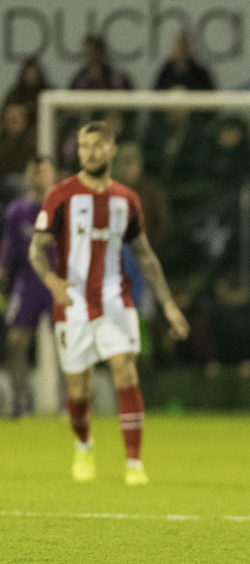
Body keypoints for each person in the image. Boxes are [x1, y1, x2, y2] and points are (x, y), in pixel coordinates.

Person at [29, 121, 190, 485]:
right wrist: (52, 280)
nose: (90, 152)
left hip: (116, 301)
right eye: (84, 146)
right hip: (72, 306)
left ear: (112, 150)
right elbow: (36, 249)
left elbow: (145, 255)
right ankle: (84, 445)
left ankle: (134, 462)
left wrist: (168, 305)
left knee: (125, 371)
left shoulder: (127, 199)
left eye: (98, 145)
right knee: (78, 389)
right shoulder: (62, 195)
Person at [0, 156, 56, 417]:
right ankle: (22, 403)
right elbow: (7, 251)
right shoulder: (16, 211)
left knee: (68, 343)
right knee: (16, 341)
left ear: (52, 175)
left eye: (43, 171)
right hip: (28, 281)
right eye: (33, 171)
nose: (38, 176)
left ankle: (70, 405)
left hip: (58, 281)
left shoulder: (63, 208)